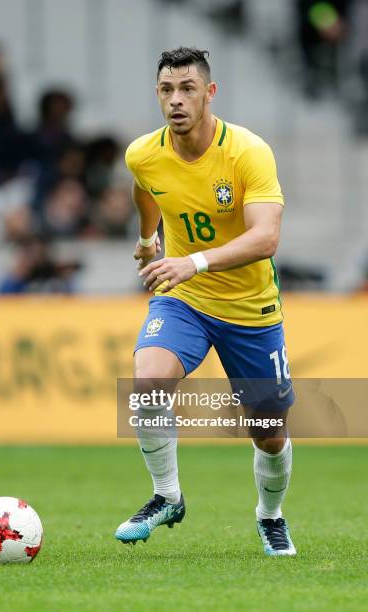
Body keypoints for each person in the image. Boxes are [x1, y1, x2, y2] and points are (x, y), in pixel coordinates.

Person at [115, 47, 296, 556]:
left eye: (187, 89)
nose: (176, 100)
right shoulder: (143, 153)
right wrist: (148, 238)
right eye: (167, 90)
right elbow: (147, 189)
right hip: (184, 301)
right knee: (148, 382)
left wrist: (191, 261)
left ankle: (270, 515)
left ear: (209, 93)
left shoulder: (247, 152)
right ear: (158, 95)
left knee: (270, 435)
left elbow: (266, 238)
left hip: (251, 311)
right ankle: (166, 496)